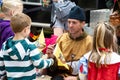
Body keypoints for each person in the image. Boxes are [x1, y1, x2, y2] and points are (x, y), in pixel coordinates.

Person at [0, 13, 55, 80]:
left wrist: (2, 76)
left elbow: (1, 65)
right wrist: (51, 61)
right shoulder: (30, 46)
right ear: (25, 30)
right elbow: (39, 64)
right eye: (29, 28)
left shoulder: (5, 45)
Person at [46, 6, 93, 79]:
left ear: (83, 24)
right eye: (69, 22)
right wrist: (51, 57)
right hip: (61, 76)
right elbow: (54, 68)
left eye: (74, 22)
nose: (70, 25)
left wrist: (76, 78)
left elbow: (91, 69)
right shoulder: (62, 38)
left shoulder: (90, 42)